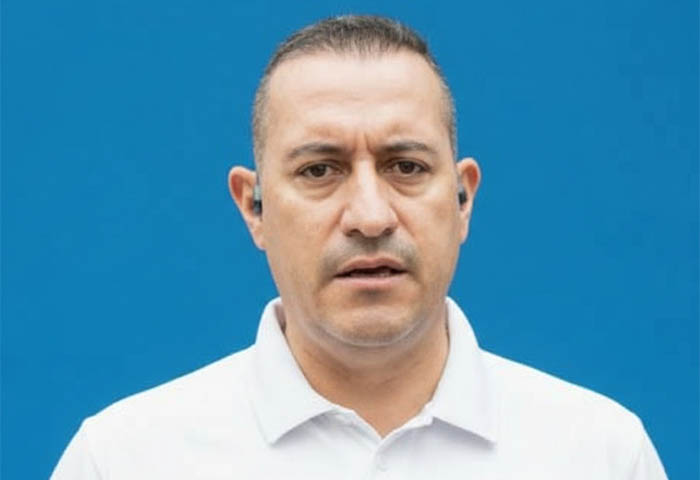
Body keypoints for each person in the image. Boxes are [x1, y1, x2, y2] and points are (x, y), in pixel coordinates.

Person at [51, 15, 668, 479]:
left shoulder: (600, 455)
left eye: (406, 166)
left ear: (462, 198)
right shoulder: (124, 461)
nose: (371, 217)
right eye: (320, 170)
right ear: (253, 206)